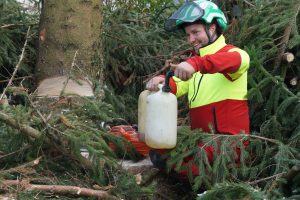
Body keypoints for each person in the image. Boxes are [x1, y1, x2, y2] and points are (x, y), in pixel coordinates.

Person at [146, 0, 250, 176]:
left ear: (212, 28)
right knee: (158, 153)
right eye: (188, 35)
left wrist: (194, 63)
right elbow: (177, 85)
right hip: (201, 143)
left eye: (195, 32)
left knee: (180, 165)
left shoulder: (234, 55)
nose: (191, 39)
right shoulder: (197, 64)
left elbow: (232, 61)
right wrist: (161, 82)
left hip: (228, 146)